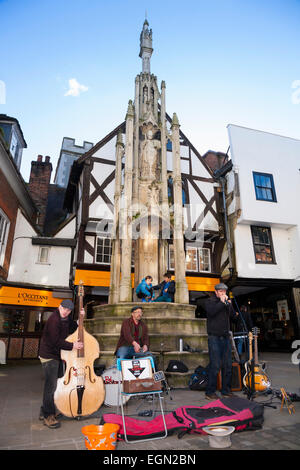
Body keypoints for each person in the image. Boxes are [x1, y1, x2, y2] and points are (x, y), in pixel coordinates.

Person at [38, 299, 84, 429]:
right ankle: (48, 416)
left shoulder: (66, 318)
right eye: (64, 309)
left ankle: (44, 411)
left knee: (55, 385)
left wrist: (80, 319)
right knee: (50, 387)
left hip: (56, 355)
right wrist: (73, 345)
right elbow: (55, 342)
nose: (66, 312)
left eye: (69, 310)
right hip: (48, 356)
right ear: (59, 307)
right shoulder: (54, 320)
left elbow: (73, 327)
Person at [204, 283, 238, 400]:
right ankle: (210, 392)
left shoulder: (227, 303)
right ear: (216, 292)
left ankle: (226, 390)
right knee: (215, 365)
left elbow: (234, 317)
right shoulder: (210, 302)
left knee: (228, 365)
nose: (223, 293)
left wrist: (229, 305)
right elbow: (212, 312)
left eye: (224, 291)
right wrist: (222, 303)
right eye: (221, 291)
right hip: (214, 337)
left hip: (225, 337)